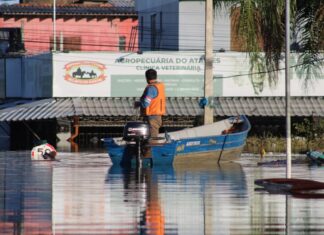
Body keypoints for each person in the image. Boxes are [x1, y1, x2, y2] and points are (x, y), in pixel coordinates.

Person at [135, 69, 166, 157]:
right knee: (151, 139)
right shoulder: (160, 86)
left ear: (146, 78)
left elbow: (146, 103)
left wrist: (138, 103)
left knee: (152, 141)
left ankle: (149, 159)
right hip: (157, 117)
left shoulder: (151, 88)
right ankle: (148, 157)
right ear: (156, 76)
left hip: (152, 118)